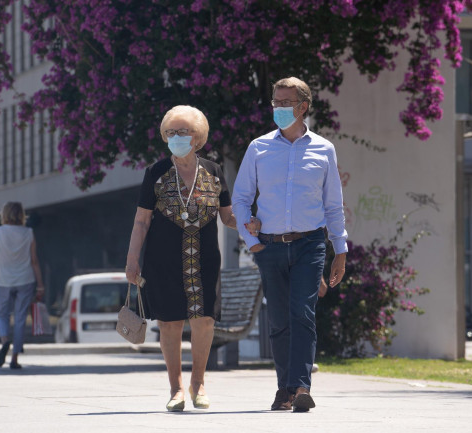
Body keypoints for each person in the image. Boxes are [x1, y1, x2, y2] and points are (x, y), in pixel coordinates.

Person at [232, 77, 348, 412]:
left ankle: (300, 388)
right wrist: (251, 241)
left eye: (286, 102)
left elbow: (333, 205)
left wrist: (340, 250)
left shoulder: (324, 149)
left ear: (303, 106)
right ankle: (284, 388)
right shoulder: (258, 148)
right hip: (269, 247)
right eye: (275, 102)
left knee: (303, 313)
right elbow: (240, 200)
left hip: (310, 244)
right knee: (280, 320)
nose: (279, 108)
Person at [126, 105, 248, 412]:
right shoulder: (155, 173)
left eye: (183, 132)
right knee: (170, 322)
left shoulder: (214, 171)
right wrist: (132, 259)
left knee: (204, 319)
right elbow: (141, 222)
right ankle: (176, 388)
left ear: (198, 137)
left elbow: (228, 216)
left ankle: (199, 383)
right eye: (171, 132)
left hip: (205, 258)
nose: (177, 137)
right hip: (162, 259)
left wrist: (253, 223)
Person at [0, 202, 45, 369]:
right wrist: (40, 285)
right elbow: (34, 261)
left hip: (3, 281)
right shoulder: (28, 233)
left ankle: (4, 340)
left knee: (2, 313)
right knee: (20, 318)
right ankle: (15, 359)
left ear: (4, 214)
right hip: (25, 279)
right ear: (21, 215)